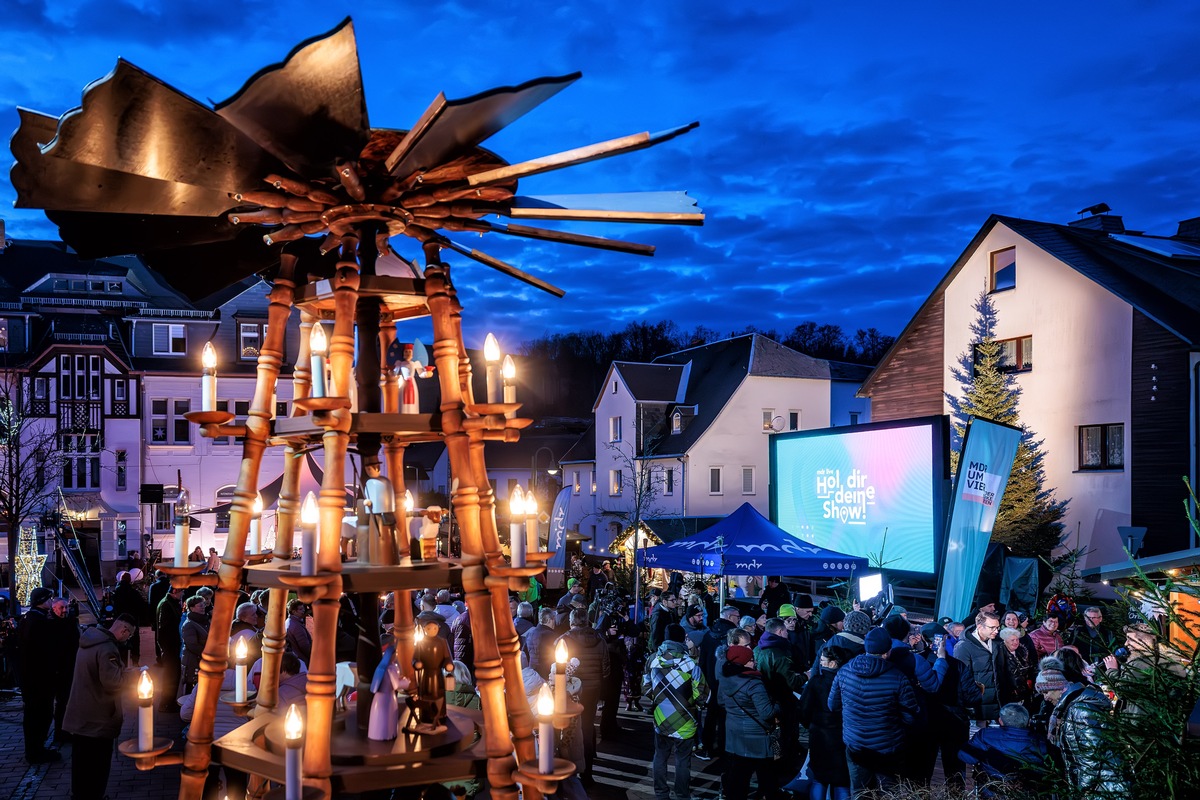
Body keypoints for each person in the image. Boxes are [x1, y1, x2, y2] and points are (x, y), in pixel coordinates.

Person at [828, 627, 918, 797]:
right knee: (888, 793)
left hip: (856, 746)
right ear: (887, 651)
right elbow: (910, 716)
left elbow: (832, 705)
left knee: (860, 792)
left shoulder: (845, 671)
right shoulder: (897, 677)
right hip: (887, 748)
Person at [63, 614, 137, 800]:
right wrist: (132, 675)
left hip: (82, 714)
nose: (127, 639)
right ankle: (94, 795)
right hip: (98, 717)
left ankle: (81, 795)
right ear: (124, 630)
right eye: (129, 636)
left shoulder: (91, 639)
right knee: (98, 763)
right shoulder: (107, 648)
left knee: (81, 762)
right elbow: (112, 682)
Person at [1037, 657, 1127, 796]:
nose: (1045, 698)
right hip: (1100, 785)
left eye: (1046, 692)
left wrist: (1083, 790)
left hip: (1103, 787)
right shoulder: (1069, 709)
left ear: (1057, 687)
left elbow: (1092, 754)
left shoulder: (1079, 709)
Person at [643, 623, 708, 800]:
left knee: (660, 756)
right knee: (682, 759)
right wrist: (695, 703)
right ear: (681, 640)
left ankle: (661, 794)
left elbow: (646, 686)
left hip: (661, 718)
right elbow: (701, 693)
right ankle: (682, 794)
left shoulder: (653, 660)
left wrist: (658, 700)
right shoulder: (690, 665)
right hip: (685, 719)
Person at [919, 622, 981, 787]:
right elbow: (973, 697)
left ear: (924, 639)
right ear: (944, 639)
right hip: (955, 723)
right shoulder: (958, 665)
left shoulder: (918, 662)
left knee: (922, 773)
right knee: (955, 773)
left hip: (925, 723)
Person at [719, 644, 779, 800]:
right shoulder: (754, 683)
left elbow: (720, 702)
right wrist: (779, 705)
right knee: (768, 777)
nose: (754, 662)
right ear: (741, 662)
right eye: (751, 660)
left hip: (735, 736)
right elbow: (767, 713)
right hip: (758, 738)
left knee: (738, 779)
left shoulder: (725, 678)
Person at [558, 606, 611, 783]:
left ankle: (572, 769)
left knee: (571, 729)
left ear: (572, 621)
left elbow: (557, 665)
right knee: (588, 726)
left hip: (573, 690)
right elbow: (606, 666)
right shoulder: (599, 638)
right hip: (593, 689)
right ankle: (588, 771)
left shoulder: (564, 640)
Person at [754, 617, 808, 782]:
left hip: (763, 699)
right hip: (782, 700)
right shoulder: (781, 653)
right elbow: (791, 682)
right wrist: (806, 675)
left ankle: (770, 769)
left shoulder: (757, 649)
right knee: (786, 736)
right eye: (785, 630)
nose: (788, 632)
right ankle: (785, 772)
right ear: (779, 632)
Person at [959, 702, 1049, 796]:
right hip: (1027, 792)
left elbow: (965, 756)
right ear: (1028, 721)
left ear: (1000, 721)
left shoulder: (985, 736)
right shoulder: (1041, 741)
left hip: (992, 790)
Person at [799, 645, 851, 800]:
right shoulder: (848, 681)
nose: (820, 663)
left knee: (819, 778)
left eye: (823, 660)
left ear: (833, 662)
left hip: (820, 736)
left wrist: (811, 725)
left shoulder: (816, 682)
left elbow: (803, 709)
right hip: (842, 736)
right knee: (842, 781)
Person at [18, 586, 60, 763]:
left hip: (31, 678)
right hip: (39, 678)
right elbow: (46, 649)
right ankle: (36, 751)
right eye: (49, 599)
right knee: (41, 714)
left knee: (34, 714)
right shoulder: (39, 622)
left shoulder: (29, 618)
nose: (51, 602)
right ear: (42, 601)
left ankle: (35, 749)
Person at [697, 605, 742, 759]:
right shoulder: (733, 636)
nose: (739, 619)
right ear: (730, 617)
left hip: (711, 682)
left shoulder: (709, 634)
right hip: (727, 682)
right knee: (725, 717)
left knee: (711, 715)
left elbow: (702, 661)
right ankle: (724, 748)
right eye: (737, 616)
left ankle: (708, 746)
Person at [954, 609, 1004, 723]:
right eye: (992, 628)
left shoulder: (998, 643)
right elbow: (961, 679)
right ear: (980, 627)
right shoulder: (963, 647)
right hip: (977, 706)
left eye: (998, 627)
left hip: (998, 703)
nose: (996, 631)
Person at [50, 596, 81, 745]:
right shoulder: (51, 624)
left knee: (69, 701)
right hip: (60, 669)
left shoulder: (71, 622)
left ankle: (67, 731)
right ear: (54, 608)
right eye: (61, 608)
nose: (64, 610)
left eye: (66, 608)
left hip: (71, 666)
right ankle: (60, 733)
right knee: (62, 703)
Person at [597, 613, 628, 737]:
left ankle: (611, 726)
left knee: (612, 704)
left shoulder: (612, 642)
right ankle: (607, 729)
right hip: (610, 677)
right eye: (612, 627)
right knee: (610, 703)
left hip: (614, 675)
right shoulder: (605, 643)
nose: (616, 629)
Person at [109, 571, 151, 666]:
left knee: (120, 642)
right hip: (133, 621)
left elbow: (113, 606)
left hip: (120, 621)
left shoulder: (116, 592)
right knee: (135, 642)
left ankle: (122, 664)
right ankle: (135, 662)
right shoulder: (134, 592)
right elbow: (142, 606)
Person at [156, 584, 184, 709]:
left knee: (172, 674)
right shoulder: (167, 604)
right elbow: (164, 628)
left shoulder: (169, 602)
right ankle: (166, 703)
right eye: (181, 591)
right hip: (170, 646)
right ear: (175, 591)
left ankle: (168, 701)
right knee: (171, 675)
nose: (183, 594)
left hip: (170, 645)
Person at [998, 627, 1036, 707]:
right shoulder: (1000, 654)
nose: (1016, 642)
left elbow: (1030, 667)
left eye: (1017, 639)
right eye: (1012, 640)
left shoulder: (1022, 651)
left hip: (1025, 691)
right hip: (1009, 693)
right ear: (1005, 641)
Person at [181, 594, 209, 694]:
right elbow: (192, 645)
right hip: (193, 661)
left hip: (201, 659)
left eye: (203, 605)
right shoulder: (189, 624)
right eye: (200, 606)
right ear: (192, 608)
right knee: (192, 686)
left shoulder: (205, 621)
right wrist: (208, 654)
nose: (203, 608)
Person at [524, 606, 560, 679]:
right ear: (550, 620)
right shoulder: (553, 636)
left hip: (533, 674)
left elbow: (525, 653)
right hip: (547, 674)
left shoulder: (530, 633)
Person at [147, 570, 171, 664]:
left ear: (157, 576)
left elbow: (151, 603)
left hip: (158, 614)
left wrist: (151, 619)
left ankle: (160, 659)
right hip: (170, 613)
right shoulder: (170, 584)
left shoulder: (154, 586)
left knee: (159, 637)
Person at [285, 599, 313, 666]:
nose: (303, 611)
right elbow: (305, 647)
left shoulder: (289, 621)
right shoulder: (296, 626)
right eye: (300, 609)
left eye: (303, 608)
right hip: (302, 661)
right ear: (294, 611)